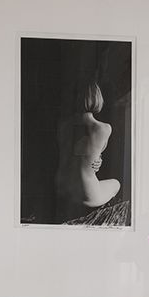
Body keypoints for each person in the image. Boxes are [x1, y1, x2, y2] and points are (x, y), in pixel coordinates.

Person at [54, 80, 121, 212]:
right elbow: (93, 154)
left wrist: (96, 159)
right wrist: (97, 159)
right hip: (85, 192)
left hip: (61, 186)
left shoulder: (63, 126)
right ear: (97, 98)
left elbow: (72, 153)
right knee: (116, 184)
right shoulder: (104, 128)